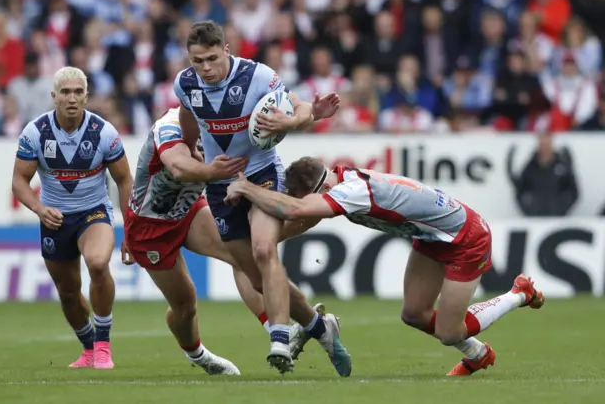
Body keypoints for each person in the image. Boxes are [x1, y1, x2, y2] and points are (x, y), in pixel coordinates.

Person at [225, 156, 546, 376]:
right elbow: (299, 213)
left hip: (466, 238)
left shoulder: (351, 191)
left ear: (318, 189)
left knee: (450, 331)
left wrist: (245, 188)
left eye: (305, 198)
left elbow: (294, 211)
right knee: (413, 315)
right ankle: (478, 355)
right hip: (433, 237)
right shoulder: (342, 181)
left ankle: (519, 292)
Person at [174, 20, 350, 375]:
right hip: (220, 186)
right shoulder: (185, 83)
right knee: (255, 278)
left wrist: (295, 120)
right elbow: (186, 113)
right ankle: (320, 327)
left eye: (211, 58)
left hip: (263, 175)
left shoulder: (258, 77)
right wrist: (193, 150)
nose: (205, 68)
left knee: (264, 249)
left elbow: (298, 106)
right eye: (197, 61)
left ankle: (280, 339)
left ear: (227, 50)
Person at [121, 107, 347, 376]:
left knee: (243, 254)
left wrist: (309, 113)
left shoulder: (225, 126)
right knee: (185, 305)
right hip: (150, 225)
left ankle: (307, 328)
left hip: (190, 209)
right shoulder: (169, 127)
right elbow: (179, 168)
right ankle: (199, 355)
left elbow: (282, 106)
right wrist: (211, 170)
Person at [11, 66, 133, 369]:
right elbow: (18, 182)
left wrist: (131, 227)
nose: (72, 98)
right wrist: (40, 209)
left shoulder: (104, 132)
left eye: (78, 92)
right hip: (54, 218)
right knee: (67, 292)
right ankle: (89, 347)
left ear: (87, 96)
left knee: (98, 263)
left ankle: (103, 344)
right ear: (53, 96)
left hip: (94, 212)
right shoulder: (35, 133)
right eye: (65, 92)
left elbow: (125, 181)